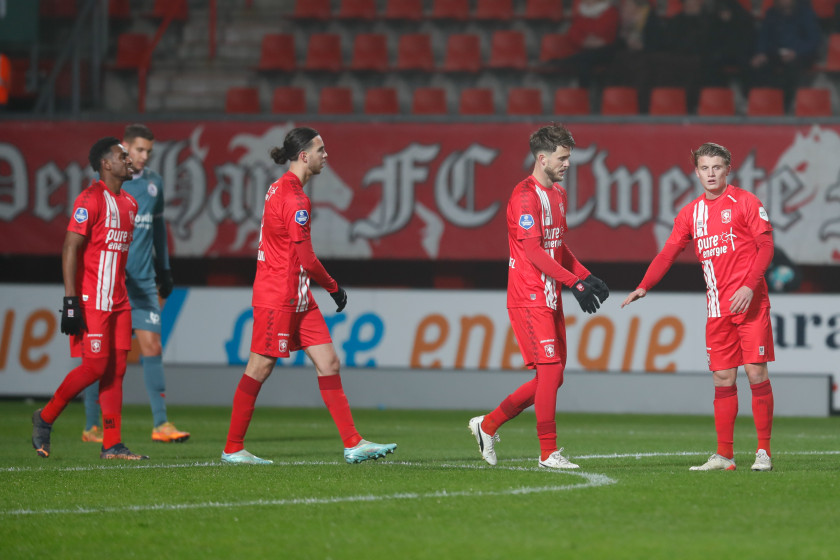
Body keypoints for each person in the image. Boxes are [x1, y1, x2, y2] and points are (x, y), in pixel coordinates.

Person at [221, 126, 397, 465]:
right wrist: (334, 287)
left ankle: (353, 443)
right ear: (304, 156)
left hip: (298, 295)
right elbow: (306, 259)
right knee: (260, 367)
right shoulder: (295, 198)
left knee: (329, 362)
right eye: (320, 150)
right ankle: (232, 447)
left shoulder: (279, 188)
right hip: (279, 295)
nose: (325, 156)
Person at [621, 142, 775, 472]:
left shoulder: (746, 202)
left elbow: (765, 246)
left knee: (755, 371)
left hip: (750, 304)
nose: (711, 174)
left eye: (717, 167)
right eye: (705, 168)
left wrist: (749, 286)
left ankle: (763, 451)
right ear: (696, 173)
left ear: (728, 169)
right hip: (717, 309)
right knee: (722, 378)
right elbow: (668, 253)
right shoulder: (691, 213)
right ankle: (725, 455)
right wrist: (644, 285)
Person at [468, 124, 608, 470]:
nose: (567, 164)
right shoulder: (524, 198)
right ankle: (548, 452)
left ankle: (488, 425)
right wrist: (575, 284)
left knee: (553, 377)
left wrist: (585, 276)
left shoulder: (557, 194)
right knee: (549, 372)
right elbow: (533, 251)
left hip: (549, 296)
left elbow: (557, 246)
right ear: (542, 159)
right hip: (528, 295)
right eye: (562, 158)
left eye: (569, 157)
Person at [31, 137, 148, 460]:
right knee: (95, 366)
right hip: (92, 299)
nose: (129, 160)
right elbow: (70, 248)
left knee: (117, 370)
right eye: (122, 156)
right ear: (106, 164)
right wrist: (71, 301)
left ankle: (112, 444)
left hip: (120, 301)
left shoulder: (130, 204)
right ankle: (45, 417)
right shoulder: (89, 199)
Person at [80, 124, 189, 445]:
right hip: (109, 283)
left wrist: (164, 270)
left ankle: (161, 423)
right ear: (124, 148)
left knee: (152, 346)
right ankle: (91, 425)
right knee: (101, 358)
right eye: (139, 150)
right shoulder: (104, 185)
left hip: (142, 281)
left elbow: (158, 229)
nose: (143, 156)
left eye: (148, 152)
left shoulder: (155, 183)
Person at [748, 0, 820, 109]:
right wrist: (761, 52)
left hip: (801, 54)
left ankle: (785, 105)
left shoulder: (806, 13)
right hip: (777, 52)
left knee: (791, 68)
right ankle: (762, 104)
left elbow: (813, 40)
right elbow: (764, 35)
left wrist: (796, 52)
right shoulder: (771, 13)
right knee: (758, 65)